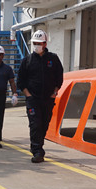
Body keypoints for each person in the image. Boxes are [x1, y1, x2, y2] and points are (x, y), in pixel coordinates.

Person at [16, 30, 63, 163]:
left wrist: (54, 92)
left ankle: (39, 146)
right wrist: (28, 96)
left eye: (39, 43)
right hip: (33, 100)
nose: (36, 45)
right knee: (35, 124)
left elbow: (59, 77)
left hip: (48, 99)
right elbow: (21, 81)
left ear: (45, 44)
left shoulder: (53, 59)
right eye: (34, 43)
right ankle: (37, 151)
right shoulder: (27, 60)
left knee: (44, 124)